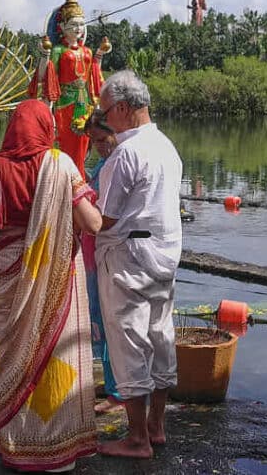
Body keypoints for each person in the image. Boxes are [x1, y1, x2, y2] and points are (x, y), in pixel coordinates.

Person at [0, 99, 103, 473]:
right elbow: (91, 224)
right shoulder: (60, 165)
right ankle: (54, 447)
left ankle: (16, 447)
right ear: (47, 129)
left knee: (12, 357)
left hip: (3, 276)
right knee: (51, 356)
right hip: (51, 277)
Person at [93, 70, 183, 459]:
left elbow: (105, 219)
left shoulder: (125, 153)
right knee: (160, 337)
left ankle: (136, 439)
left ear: (125, 109)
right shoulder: (165, 145)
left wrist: (75, 205)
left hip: (128, 258)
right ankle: (156, 425)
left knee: (129, 342)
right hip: (164, 254)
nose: (103, 117)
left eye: (105, 110)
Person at [28, 0, 111, 180]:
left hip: (85, 103)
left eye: (81, 25)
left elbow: (94, 75)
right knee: (65, 143)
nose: (78, 29)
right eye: (74, 25)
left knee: (84, 144)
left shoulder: (87, 51)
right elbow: (44, 76)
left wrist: (100, 53)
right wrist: (45, 54)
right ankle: (64, 178)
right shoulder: (58, 51)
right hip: (65, 103)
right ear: (62, 26)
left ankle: (79, 177)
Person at [80, 110, 122, 414]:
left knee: (109, 320)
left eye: (102, 139)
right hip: (94, 252)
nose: (98, 145)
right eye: (93, 141)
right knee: (98, 316)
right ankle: (111, 383)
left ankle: (118, 392)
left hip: (106, 251)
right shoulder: (102, 164)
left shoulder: (118, 164)